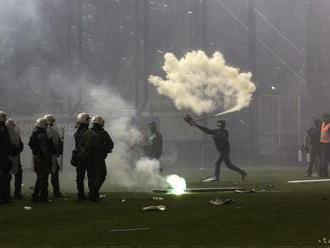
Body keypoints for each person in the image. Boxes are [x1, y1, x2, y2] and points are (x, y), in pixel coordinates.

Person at [80, 116, 114, 201]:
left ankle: (92, 194)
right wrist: (104, 150)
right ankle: (93, 194)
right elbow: (110, 145)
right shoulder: (103, 133)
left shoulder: (86, 133)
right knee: (101, 175)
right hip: (98, 158)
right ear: (100, 123)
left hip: (88, 158)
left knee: (91, 176)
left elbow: (81, 145)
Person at [29, 118, 54, 202]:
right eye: (46, 125)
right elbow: (45, 150)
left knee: (40, 178)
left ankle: (35, 196)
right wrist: (48, 160)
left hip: (37, 157)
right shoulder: (42, 135)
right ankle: (43, 197)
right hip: (42, 159)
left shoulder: (35, 134)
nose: (47, 126)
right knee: (43, 179)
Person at [71, 112, 92, 200]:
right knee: (91, 175)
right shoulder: (86, 132)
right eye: (87, 119)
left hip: (78, 155)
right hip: (86, 156)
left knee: (80, 176)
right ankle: (91, 194)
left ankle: (81, 194)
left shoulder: (77, 131)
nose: (89, 121)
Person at [44, 114, 65, 198]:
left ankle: (47, 192)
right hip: (50, 156)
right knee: (53, 175)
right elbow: (57, 144)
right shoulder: (51, 132)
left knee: (49, 175)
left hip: (48, 156)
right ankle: (55, 192)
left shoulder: (44, 131)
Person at [6, 119, 24, 199]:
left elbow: (20, 145)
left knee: (9, 177)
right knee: (8, 177)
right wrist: (16, 151)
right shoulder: (11, 134)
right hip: (11, 157)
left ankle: (12, 193)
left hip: (11, 157)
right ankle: (15, 193)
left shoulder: (13, 134)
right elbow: (20, 145)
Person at [0, 111, 13, 203]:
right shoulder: (3, 129)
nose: (4, 118)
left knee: (6, 177)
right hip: (2, 156)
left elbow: (7, 142)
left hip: (4, 156)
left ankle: (6, 197)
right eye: (3, 117)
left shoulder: (4, 128)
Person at [320, 114, 330, 178]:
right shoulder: (323, 123)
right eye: (322, 117)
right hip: (323, 144)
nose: (323, 119)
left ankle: (324, 173)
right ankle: (324, 173)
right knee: (324, 159)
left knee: (325, 159)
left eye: (324, 117)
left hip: (328, 144)